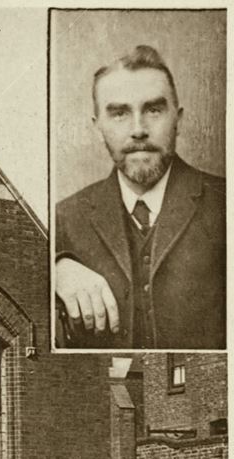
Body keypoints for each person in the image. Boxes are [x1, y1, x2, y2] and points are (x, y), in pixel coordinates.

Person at [55, 45, 225, 349]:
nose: (138, 130)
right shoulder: (64, 219)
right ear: (98, 128)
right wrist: (54, 269)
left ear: (179, 119)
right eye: (119, 113)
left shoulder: (224, 205)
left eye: (153, 110)